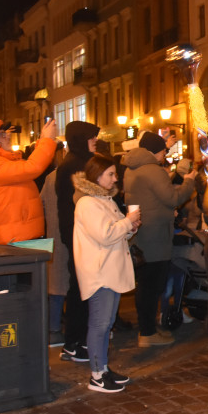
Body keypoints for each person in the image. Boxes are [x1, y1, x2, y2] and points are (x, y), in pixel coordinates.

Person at [72, 154, 141, 393]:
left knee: (107, 323)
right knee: (100, 324)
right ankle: (96, 375)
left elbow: (115, 231)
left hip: (110, 270)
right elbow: (104, 234)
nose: (115, 178)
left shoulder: (104, 200)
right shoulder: (88, 203)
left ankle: (103, 368)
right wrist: (127, 222)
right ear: (97, 176)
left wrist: (130, 227)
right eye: (110, 174)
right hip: (99, 272)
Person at [124, 131, 195, 347]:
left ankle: (148, 330)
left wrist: (166, 211)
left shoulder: (131, 168)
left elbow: (152, 201)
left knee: (146, 284)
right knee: (152, 286)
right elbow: (173, 198)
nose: (165, 155)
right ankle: (147, 334)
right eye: (164, 151)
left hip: (142, 234)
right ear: (156, 152)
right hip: (155, 237)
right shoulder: (153, 171)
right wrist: (188, 182)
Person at [0, 117, 58, 245]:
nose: (8, 136)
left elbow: (29, 167)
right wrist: (47, 141)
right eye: (2, 134)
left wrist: (43, 141)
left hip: (19, 235)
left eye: (7, 133)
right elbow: (32, 168)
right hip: (13, 238)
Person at [56, 120, 101, 363]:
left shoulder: (78, 162)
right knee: (82, 289)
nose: (95, 141)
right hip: (80, 234)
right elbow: (85, 200)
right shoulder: (75, 166)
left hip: (79, 233)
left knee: (83, 287)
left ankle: (77, 340)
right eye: (91, 137)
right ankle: (75, 342)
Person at [40, 144, 69, 348]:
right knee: (65, 285)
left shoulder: (50, 177)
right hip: (69, 235)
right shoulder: (72, 176)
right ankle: (56, 330)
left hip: (54, 237)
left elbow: (40, 203)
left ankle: (54, 328)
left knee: (56, 285)